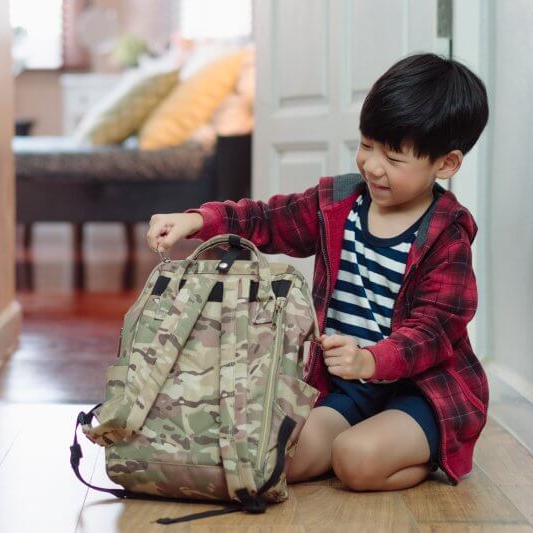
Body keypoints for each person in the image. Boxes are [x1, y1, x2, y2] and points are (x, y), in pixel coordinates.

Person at [145, 52, 489, 491]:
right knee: (278, 459)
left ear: (446, 164)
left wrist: (370, 358)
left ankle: (425, 452)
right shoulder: (339, 202)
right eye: (367, 145)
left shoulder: (446, 234)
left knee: (354, 461)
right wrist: (199, 221)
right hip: (350, 386)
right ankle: (367, 438)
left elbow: (435, 330)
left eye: (394, 158)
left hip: (422, 388)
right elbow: (266, 220)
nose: (373, 166)